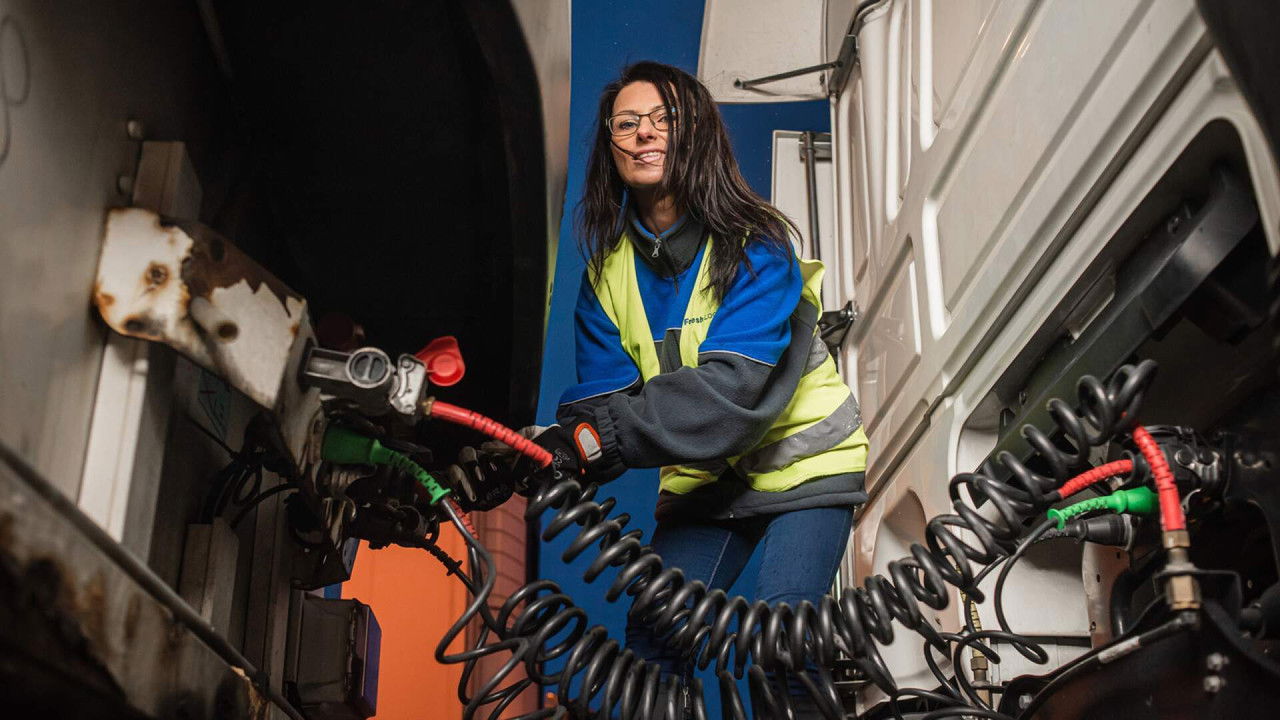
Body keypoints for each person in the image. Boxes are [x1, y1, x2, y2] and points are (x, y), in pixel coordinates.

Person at [452, 60, 869, 716]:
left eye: (663, 119)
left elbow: (731, 394)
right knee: (653, 633)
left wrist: (592, 439)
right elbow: (601, 411)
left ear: (695, 134)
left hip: (805, 465)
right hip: (710, 483)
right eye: (626, 123)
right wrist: (535, 455)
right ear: (611, 148)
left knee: (783, 639)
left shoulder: (757, 246)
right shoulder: (608, 275)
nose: (644, 133)